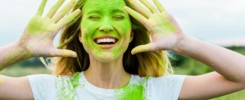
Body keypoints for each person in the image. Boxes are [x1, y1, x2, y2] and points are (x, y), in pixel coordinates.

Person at [0, 0, 244, 99]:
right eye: (94, 18)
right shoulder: (50, 90)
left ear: (130, 36)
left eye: (117, 16)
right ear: (81, 36)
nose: (106, 26)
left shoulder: (159, 90)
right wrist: (20, 49)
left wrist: (184, 43)